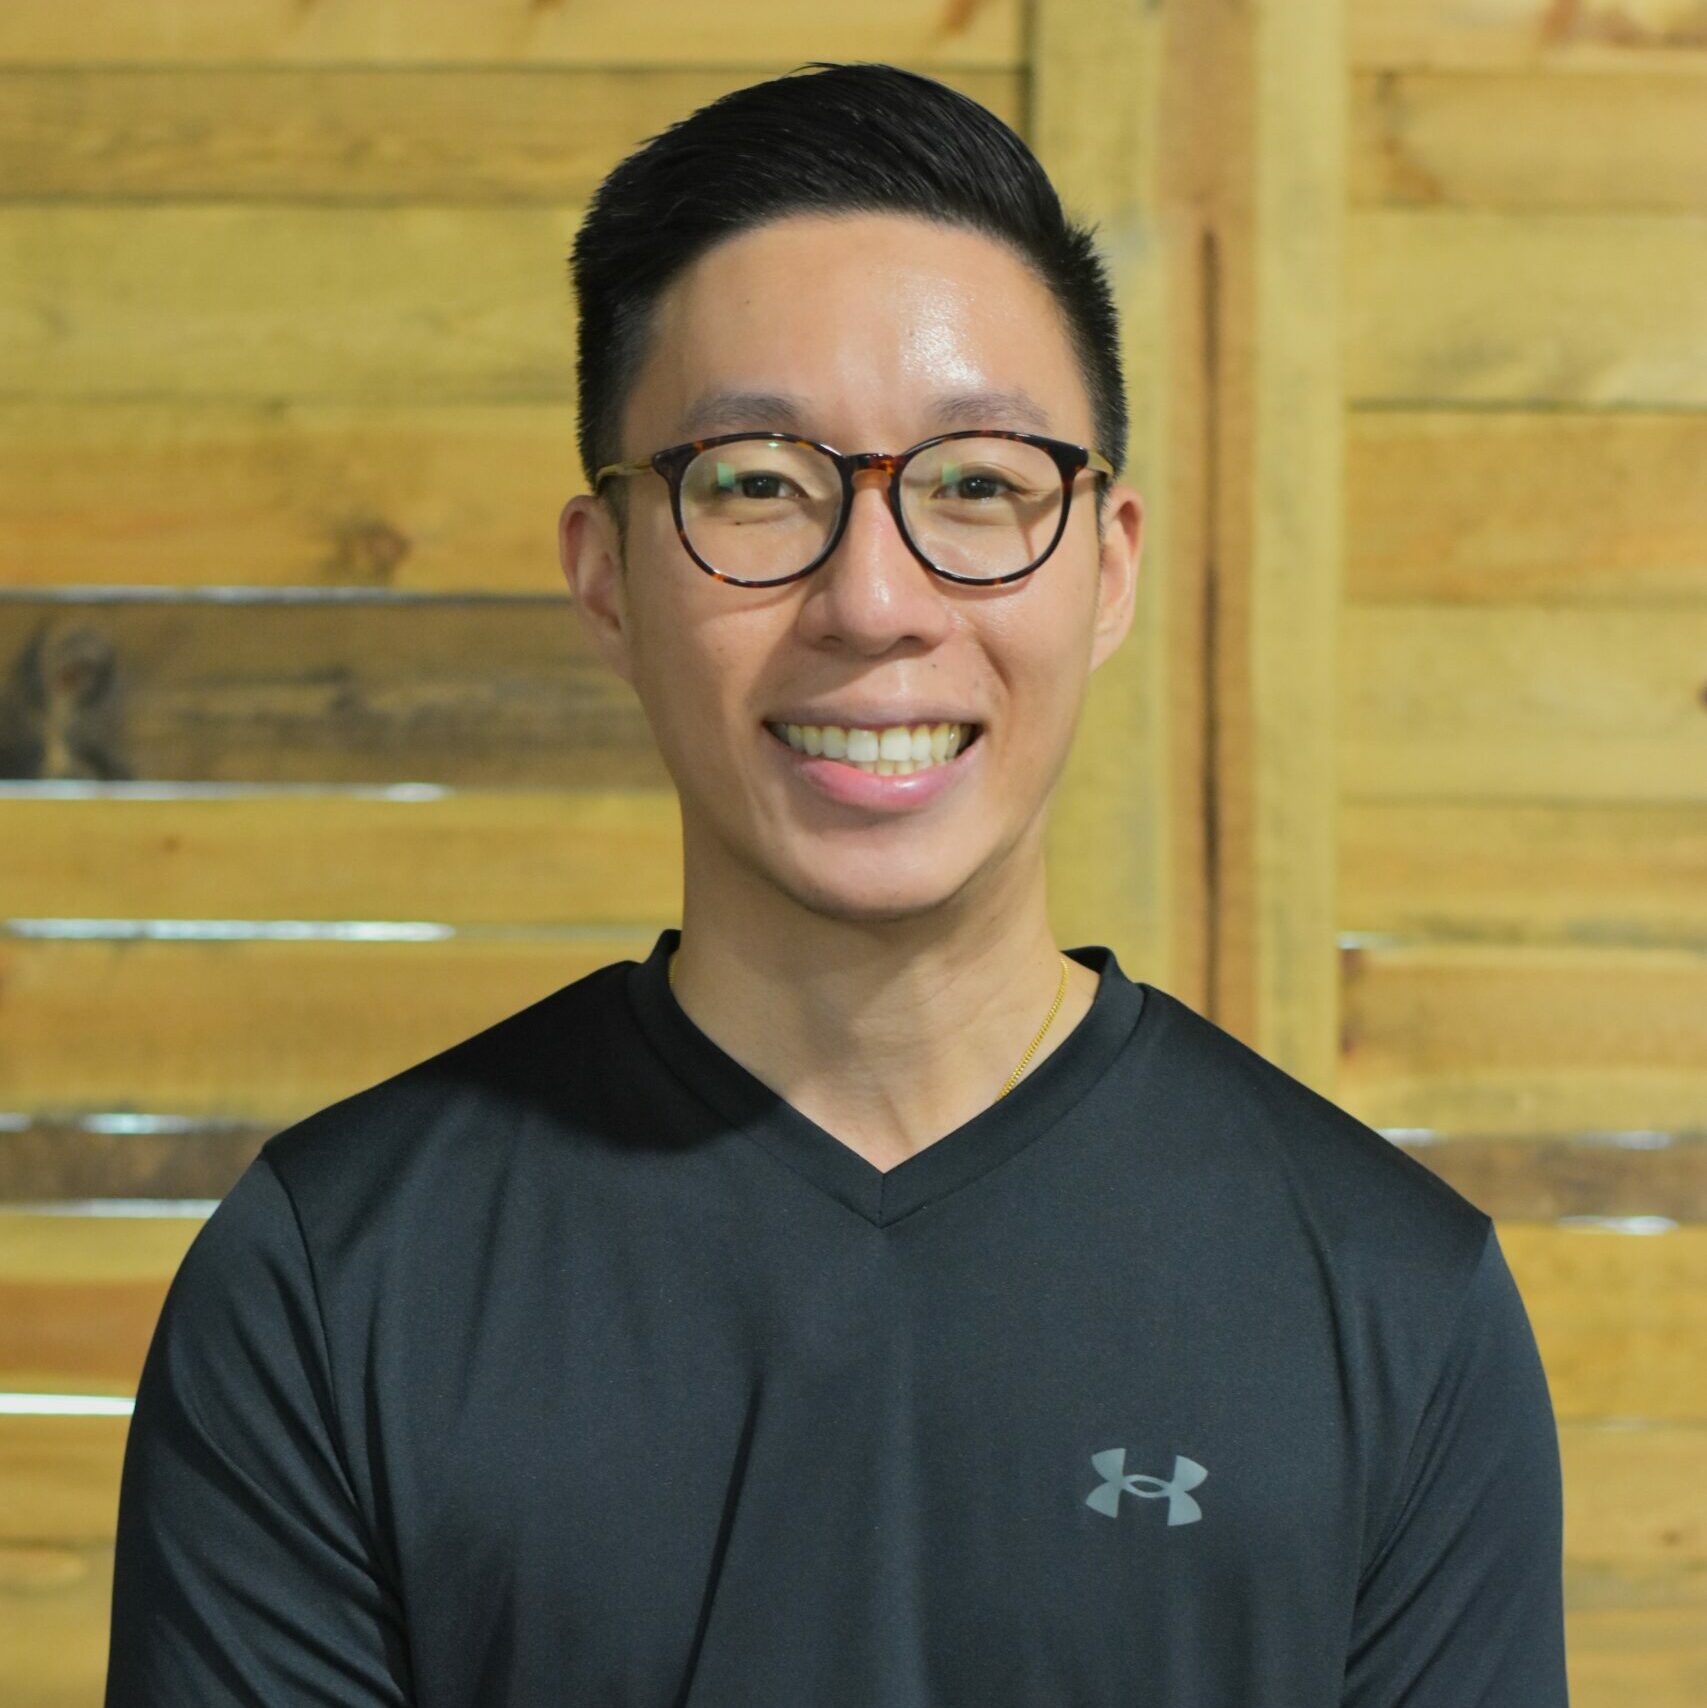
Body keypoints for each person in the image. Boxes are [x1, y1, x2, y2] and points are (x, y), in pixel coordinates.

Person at [103, 61, 1570, 1707]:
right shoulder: (329, 1286)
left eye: (979, 487)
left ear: (1108, 566)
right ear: (605, 579)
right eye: (755, 486)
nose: (874, 601)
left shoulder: (1394, 1304)